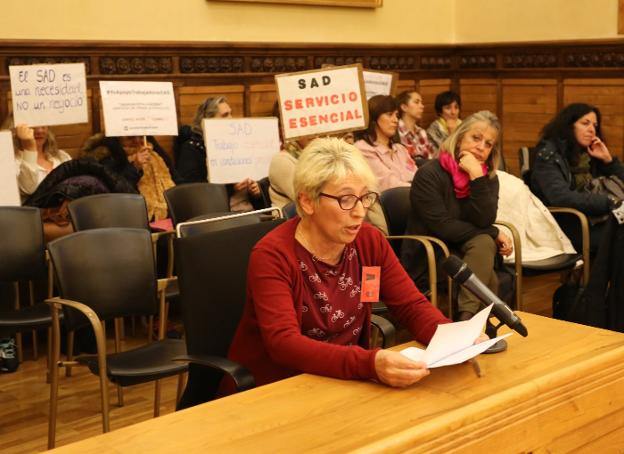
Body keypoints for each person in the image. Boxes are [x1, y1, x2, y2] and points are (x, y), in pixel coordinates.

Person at [225, 137, 467, 392]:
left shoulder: (368, 241)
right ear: (307, 202)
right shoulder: (273, 255)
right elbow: (284, 344)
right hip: (276, 390)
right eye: (346, 200)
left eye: (365, 198)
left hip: (344, 381)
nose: (360, 212)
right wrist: (369, 363)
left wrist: (453, 339)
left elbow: (410, 306)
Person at [402, 111, 512, 321]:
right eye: (476, 138)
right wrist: (493, 231)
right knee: (486, 257)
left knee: (483, 244)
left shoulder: (485, 177)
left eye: (488, 144)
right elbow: (444, 227)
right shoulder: (429, 174)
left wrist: (476, 178)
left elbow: (483, 219)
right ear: (460, 137)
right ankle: (475, 325)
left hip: (466, 250)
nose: (481, 147)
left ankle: (466, 319)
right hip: (432, 252)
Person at [530, 103, 624, 253]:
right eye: (585, 123)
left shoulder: (588, 154)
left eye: (595, 125)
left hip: (594, 219)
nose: (592, 130)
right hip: (565, 223)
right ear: (569, 125)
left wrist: (608, 161)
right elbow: (561, 197)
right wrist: (609, 202)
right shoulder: (548, 155)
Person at [175, 96, 266, 212]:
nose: (231, 119)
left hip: (251, 211)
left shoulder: (240, 144)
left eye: (231, 114)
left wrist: (257, 190)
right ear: (207, 120)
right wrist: (231, 188)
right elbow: (193, 193)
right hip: (218, 216)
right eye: (225, 115)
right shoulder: (192, 149)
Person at [80, 134, 178, 221]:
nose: (137, 140)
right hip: (132, 216)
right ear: (118, 138)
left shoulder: (152, 150)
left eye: (140, 136)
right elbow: (117, 191)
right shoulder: (107, 156)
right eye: (130, 138)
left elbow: (176, 178)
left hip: (166, 213)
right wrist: (135, 167)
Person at [354, 95, 417, 194]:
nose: (395, 120)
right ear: (374, 118)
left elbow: (417, 176)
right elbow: (388, 184)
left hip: (414, 197)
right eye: (390, 114)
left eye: (396, 115)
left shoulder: (400, 149)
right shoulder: (362, 148)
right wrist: (423, 188)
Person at [10, 122, 72, 199]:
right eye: (32, 125)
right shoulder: (12, 161)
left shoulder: (62, 157)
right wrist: (29, 148)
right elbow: (29, 189)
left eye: (43, 124)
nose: (40, 131)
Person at [396, 90, 434, 163]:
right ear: (404, 107)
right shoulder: (395, 130)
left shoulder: (422, 132)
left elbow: (430, 159)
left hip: (425, 171)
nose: (422, 106)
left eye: (421, 103)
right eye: (416, 102)